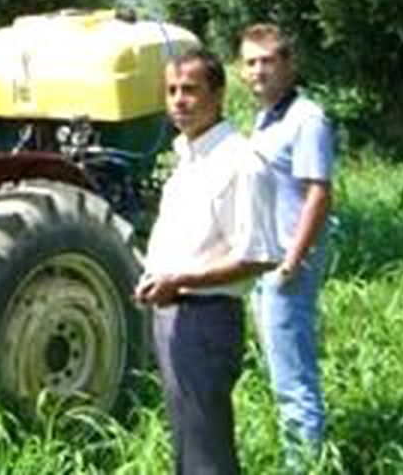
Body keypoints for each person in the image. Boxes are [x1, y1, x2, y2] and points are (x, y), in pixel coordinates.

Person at [136, 48, 279, 475]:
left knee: (207, 454)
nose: (179, 101)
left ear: (217, 95)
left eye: (190, 90)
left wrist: (179, 280)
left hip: (207, 318)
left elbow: (258, 256)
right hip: (171, 315)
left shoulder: (240, 163)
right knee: (187, 446)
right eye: (171, 91)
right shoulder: (187, 158)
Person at [240, 23, 334, 467]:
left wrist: (291, 263)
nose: (259, 70)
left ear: (288, 65)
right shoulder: (266, 118)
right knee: (281, 371)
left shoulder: (306, 119)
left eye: (267, 61)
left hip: (287, 263)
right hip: (266, 262)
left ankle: (305, 465)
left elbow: (319, 193)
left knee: (293, 381)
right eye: (250, 62)